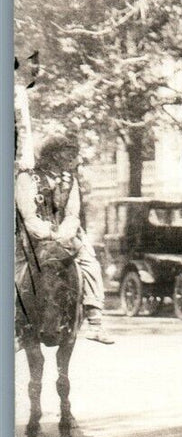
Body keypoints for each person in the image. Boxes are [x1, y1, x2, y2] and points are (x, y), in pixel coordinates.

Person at [14, 135, 113, 344]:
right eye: (67, 152)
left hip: (66, 235)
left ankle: (95, 319)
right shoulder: (27, 178)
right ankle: (14, 324)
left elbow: (72, 214)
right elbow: (28, 215)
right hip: (33, 235)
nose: (72, 157)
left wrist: (64, 234)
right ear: (52, 155)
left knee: (89, 262)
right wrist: (48, 234)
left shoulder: (70, 180)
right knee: (14, 270)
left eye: (72, 153)